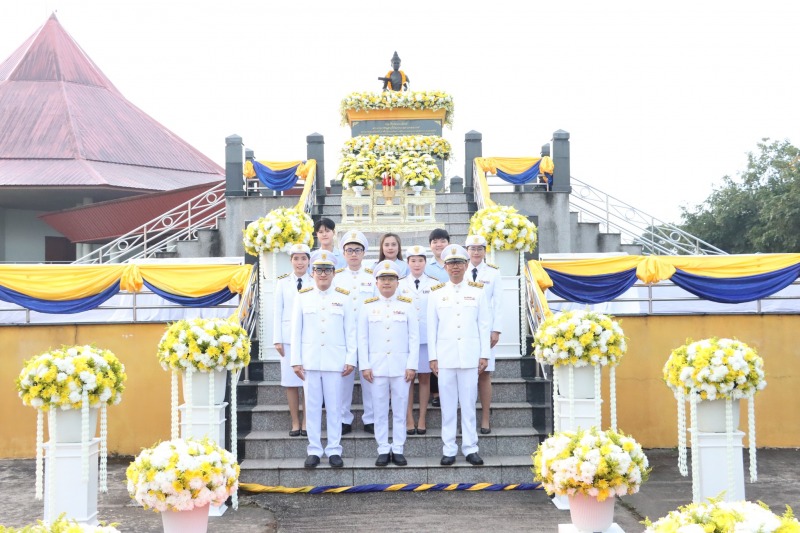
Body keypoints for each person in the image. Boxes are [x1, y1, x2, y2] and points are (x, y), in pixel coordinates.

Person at [290, 250, 357, 469]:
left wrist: (350, 358)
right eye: (318, 270)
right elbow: (295, 332)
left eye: (327, 270)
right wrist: (295, 360)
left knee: (335, 407)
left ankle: (335, 449)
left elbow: (351, 331)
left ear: (333, 273)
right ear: (313, 272)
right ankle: (315, 450)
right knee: (312, 406)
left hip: (335, 361)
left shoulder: (344, 297)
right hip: (309, 361)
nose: (323, 274)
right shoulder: (302, 296)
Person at [428, 244, 491, 467]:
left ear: (466, 266)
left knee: (467, 404)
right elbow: (431, 328)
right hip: (445, 358)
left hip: (470, 357)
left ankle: (471, 447)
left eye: (459, 263)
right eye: (451, 263)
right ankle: (449, 448)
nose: (455, 267)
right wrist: (433, 357)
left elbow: (484, 325)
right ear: (444, 267)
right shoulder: (436, 293)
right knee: (447, 406)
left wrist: (484, 354)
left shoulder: (478, 291)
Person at [358, 260, 418, 467]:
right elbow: (362, 339)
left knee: (401, 409)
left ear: (397, 282)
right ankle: (383, 448)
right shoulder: (367, 307)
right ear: (376, 282)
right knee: (380, 410)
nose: (387, 283)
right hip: (376, 368)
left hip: (401, 367)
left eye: (391, 279)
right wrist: (364, 365)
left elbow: (414, 338)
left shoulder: (407, 305)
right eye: (383, 279)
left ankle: (399, 448)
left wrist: (412, 365)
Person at [333, 230, 376, 435]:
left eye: (357, 250)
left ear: (364, 253)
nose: (353, 254)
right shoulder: (336, 278)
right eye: (349, 250)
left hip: (369, 334)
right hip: (343, 335)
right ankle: (343, 419)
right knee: (344, 378)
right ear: (343, 252)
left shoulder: (373, 277)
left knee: (370, 378)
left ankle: (371, 418)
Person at [465, 234, 503, 434]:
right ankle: (468, 418)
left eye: (480, 248)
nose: (476, 252)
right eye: (472, 248)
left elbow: (498, 304)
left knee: (484, 374)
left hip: (486, 331)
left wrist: (496, 330)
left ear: (485, 251)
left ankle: (486, 418)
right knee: (465, 375)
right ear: (467, 250)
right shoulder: (459, 269)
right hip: (465, 331)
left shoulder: (493, 273)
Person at [273, 243, 312, 437]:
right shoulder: (282, 282)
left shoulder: (314, 281)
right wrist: (277, 340)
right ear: (291, 261)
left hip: (308, 339)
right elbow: (277, 312)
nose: (300, 262)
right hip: (287, 339)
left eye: (303, 258)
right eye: (296, 258)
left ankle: (306, 422)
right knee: (290, 382)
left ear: (309, 261)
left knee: (307, 381)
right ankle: (295, 422)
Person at [400, 244, 437, 435]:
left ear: (426, 262)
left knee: (424, 378)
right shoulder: (399, 284)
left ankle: (422, 417)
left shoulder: (434, 284)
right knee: (407, 379)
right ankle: (408, 418)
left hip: (426, 339)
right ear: (407, 262)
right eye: (413, 261)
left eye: (420, 260)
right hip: (404, 340)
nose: (417, 264)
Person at [424, 228, 450, 408]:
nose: (439, 244)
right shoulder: (425, 266)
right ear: (430, 245)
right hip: (433, 311)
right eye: (435, 241)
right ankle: (436, 393)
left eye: (442, 241)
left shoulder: (456, 262)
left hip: (451, 313)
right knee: (434, 354)